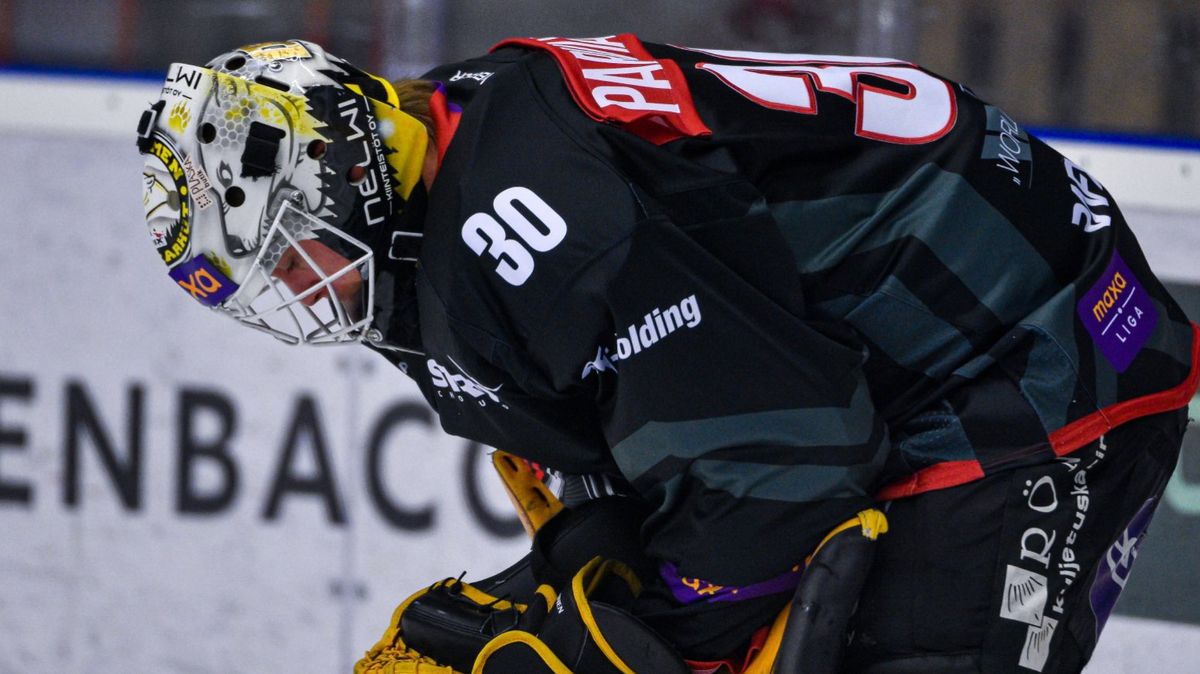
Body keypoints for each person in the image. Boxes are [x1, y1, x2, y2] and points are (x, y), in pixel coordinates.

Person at [138, 36, 1198, 673]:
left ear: (338, 172)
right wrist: (577, 582)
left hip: (1036, 354)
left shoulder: (531, 214)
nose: (294, 287)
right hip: (906, 369)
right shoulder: (434, 191)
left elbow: (789, 465)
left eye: (287, 251)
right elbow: (650, 442)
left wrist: (617, 640)